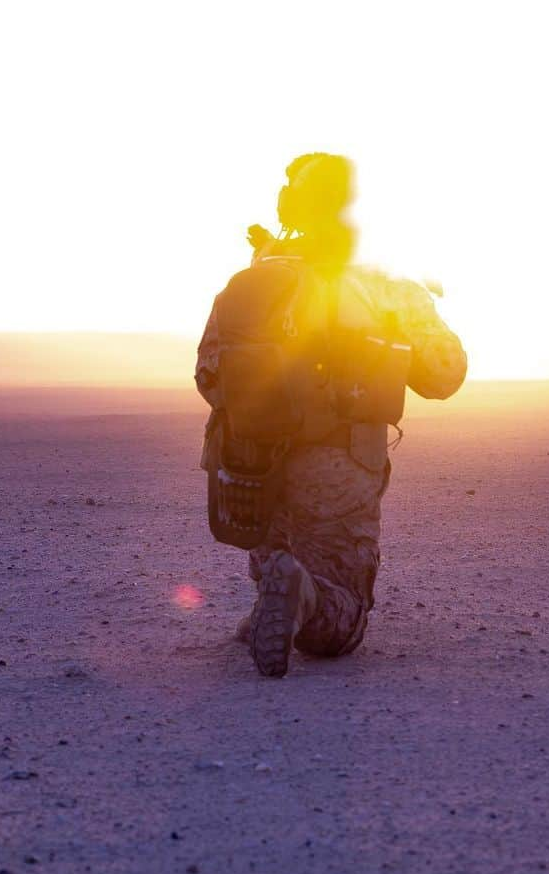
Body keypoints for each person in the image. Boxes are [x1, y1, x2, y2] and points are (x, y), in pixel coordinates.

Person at [195, 153, 466, 677]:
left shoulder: (252, 283)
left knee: (279, 557)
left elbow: (209, 376)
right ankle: (305, 599)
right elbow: (445, 375)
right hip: (336, 469)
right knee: (339, 631)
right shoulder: (383, 286)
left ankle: (277, 595)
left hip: (248, 469)